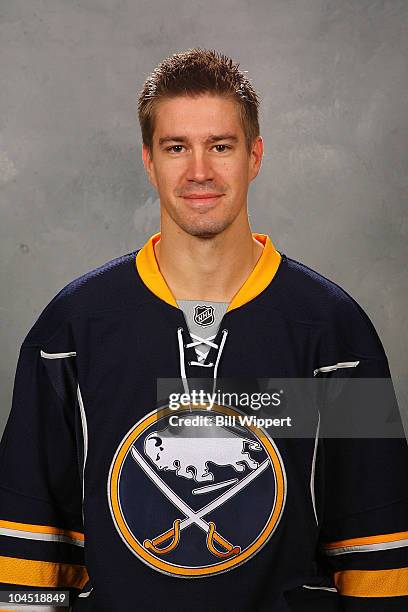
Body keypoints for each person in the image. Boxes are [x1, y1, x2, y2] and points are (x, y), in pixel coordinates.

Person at [0, 48, 407, 612]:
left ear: (255, 156)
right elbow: (30, 540)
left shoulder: (337, 336)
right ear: (149, 160)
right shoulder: (70, 332)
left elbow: (377, 552)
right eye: (176, 147)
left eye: (220, 145)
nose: (199, 171)